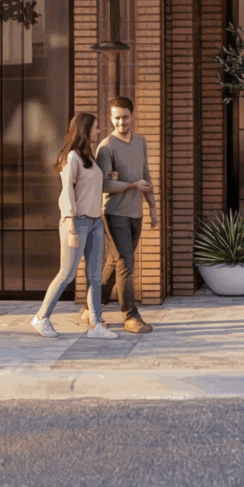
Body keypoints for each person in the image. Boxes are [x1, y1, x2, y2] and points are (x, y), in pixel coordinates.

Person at [31, 113, 113, 338]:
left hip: (96, 222)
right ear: (84, 131)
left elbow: (92, 187)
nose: (98, 131)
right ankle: (41, 318)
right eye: (96, 128)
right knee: (67, 273)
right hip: (77, 222)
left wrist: (109, 177)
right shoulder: (72, 158)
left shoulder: (90, 157)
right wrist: (72, 228)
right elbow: (66, 193)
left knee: (95, 276)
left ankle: (96, 325)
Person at [96, 95, 154, 334]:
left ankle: (92, 307)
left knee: (116, 261)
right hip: (115, 213)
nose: (121, 122)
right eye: (116, 118)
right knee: (126, 264)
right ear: (111, 118)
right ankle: (130, 315)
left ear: (133, 115)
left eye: (125, 117)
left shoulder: (140, 142)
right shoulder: (106, 147)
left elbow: (147, 177)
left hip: (135, 213)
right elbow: (104, 185)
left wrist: (153, 208)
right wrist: (131, 186)